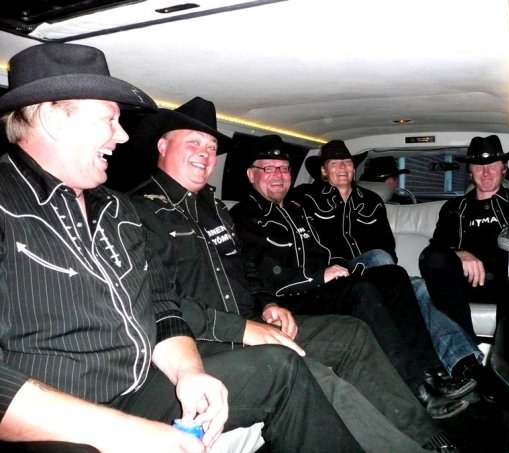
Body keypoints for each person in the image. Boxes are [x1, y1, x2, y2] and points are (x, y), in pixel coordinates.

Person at [0, 43, 365, 453]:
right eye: (108, 119)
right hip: (51, 415)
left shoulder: (117, 209)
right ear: (53, 119)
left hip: (140, 383)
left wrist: (188, 372)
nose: (122, 135)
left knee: (282, 366)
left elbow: (159, 304)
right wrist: (131, 433)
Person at [128, 96, 461, 452]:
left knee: (353, 332)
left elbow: (247, 271)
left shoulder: (215, 208)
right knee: (303, 370)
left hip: (254, 321)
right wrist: (244, 327)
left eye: (211, 146)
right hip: (201, 341)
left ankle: (427, 435)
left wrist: (267, 304)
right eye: (193, 142)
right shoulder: (135, 211)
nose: (205, 153)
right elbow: (156, 303)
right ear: (163, 145)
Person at [229, 135, 480, 420]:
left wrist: (334, 270)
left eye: (284, 169)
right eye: (268, 169)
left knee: (395, 276)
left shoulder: (296, 211)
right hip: (290, 297)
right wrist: (319, 276)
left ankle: (430, 373)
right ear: (251, 175)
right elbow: (258, 273)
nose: (278, 175)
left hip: (320, 286)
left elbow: (324, 252)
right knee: (362, 290)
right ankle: (416, 390)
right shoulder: (244, 216)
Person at [292, 139, 485, 381]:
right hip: (335, 276)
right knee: (383, 260)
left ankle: (463, 362)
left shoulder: (372, 202)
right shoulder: (306, 199)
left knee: (417, 285)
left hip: (377, 273)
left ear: (353, 167)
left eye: (347, 162)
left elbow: (388, 249)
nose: (342, 167)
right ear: (323, 170)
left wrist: (371, 271)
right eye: (334, 163)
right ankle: (441, 364)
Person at [418, 135, 509, 357]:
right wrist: (459, 253)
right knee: (434, 261)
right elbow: (432, 252)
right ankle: (469, 354)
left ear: (504, 168)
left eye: (492, 165)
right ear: (470, 171)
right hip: (462, 284)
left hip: (505, 282)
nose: (485, 172)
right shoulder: (454, 208)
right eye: (478, 166)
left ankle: (506, 361)